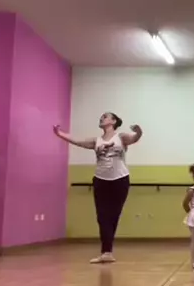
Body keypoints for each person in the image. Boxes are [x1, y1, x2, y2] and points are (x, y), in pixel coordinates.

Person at [53, 112, 142, 264]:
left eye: (105, 116)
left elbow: (135, 138)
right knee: (102, 217)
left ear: (113, 121)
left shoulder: (121, 137)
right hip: (100, 180)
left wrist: (139, 131)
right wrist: (59, 134)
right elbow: (78, 141)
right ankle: (106, 252)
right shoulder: (96, 141)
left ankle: (108, 251)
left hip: (120, 180)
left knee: (114, 215)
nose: (102, 118)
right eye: (101, 117)